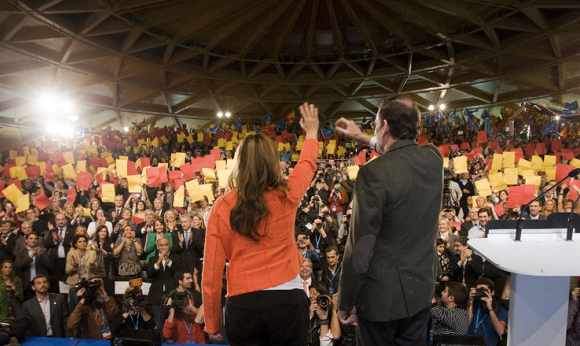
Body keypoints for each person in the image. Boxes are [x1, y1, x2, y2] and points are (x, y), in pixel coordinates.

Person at [202, 102, 319, 345]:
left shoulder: (222, 206)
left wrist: (212, 322)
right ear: (273, 161)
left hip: (242, 305)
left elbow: (212, 275)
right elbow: (306, 164)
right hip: (288, 301)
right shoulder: (287, 194)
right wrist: (311, 133)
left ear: (239, 163)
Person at [335, 95, 443, 345]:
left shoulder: (372, 173)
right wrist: (362, 136)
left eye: (375, 125)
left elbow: (361, 246)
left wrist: (346, 302)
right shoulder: (433, 158)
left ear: (384, 127)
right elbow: (400, 152)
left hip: (380, 303)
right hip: (420, 295)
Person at [146, 236, 179, 329]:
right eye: (161, 245)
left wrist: (168, 261)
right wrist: (159, 261)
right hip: (156, 295)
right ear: (157, 247)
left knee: (172, 321)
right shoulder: (152, 259)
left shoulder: (176, 258)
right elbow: (149, 274)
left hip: (172, 294)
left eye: (166, 245)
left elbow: (178, 273)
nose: (163, 247)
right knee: (158, 322)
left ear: (169, 246)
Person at [467, 278, 508, 346]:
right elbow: (465, 324)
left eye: (484, 290)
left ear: (492, 292)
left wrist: (490, 309)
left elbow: (501, 332)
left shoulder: (500, 308)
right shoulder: (473, 304)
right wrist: (470, 303)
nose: (481, 293)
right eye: (479, 290)